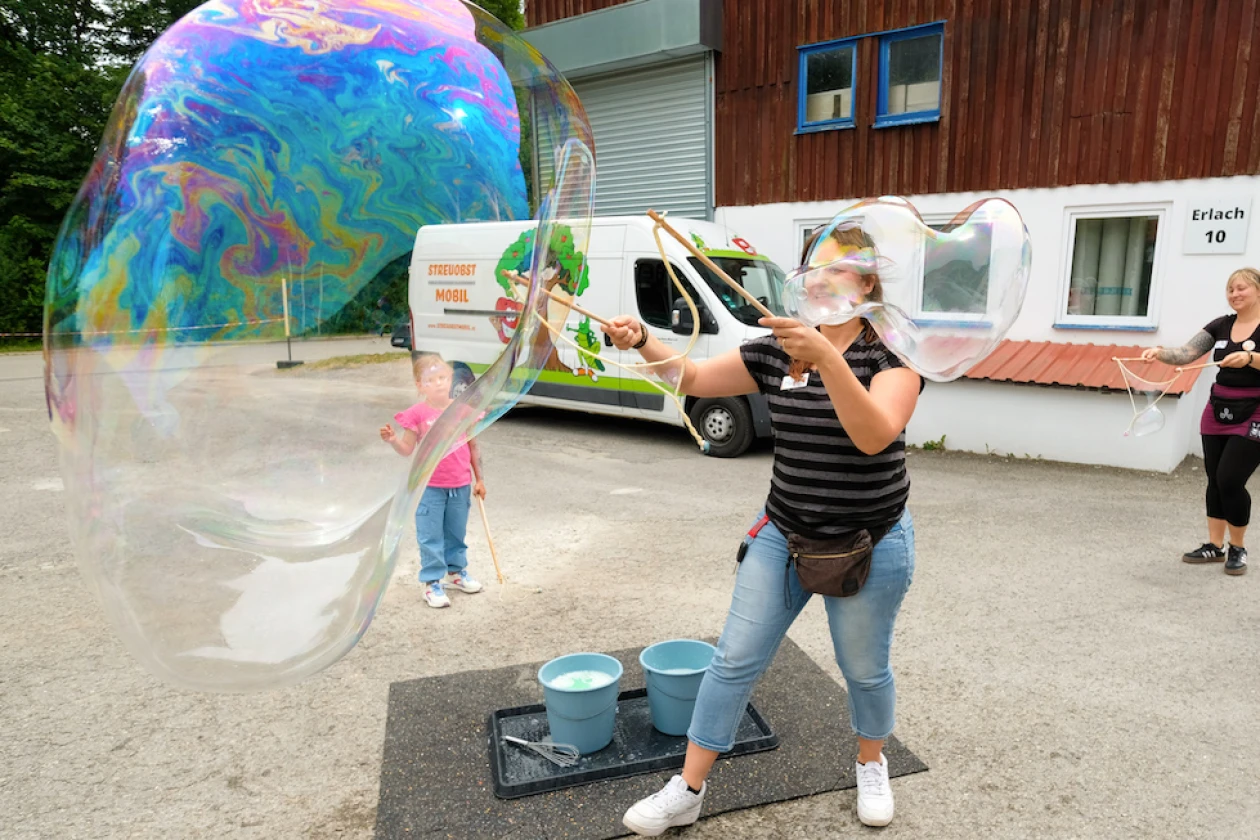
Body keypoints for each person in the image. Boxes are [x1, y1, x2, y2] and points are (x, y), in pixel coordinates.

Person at [605, 227, 923, 835]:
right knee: (733, 660)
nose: (825, 282)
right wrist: (643, 340)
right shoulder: (775, 349)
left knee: (864, 669)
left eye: (842, 272)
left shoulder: (892, 357)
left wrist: (828, 357)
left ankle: (871, 761)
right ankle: (688, 786)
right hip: (783, 532)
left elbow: (874, 434)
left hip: (870, 539)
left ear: (868, 285)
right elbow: (693, 380)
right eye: (816, 271)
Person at [1142, 267, 1260, 577]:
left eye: (1241, 288)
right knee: (1214, 480)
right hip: (1218, 408)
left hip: (1255, 411)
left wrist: (1251, 358)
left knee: (1230, 479)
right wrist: (1159, 353)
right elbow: (1186, 353)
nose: (1234, 294)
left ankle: (1238, 548)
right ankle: (1215, 546)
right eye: (1230, 289)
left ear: (1258, 291)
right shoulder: (1220, 326)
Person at [380, 354, 487, 607]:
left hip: (460, 485)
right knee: (430, 536)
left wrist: (479, 479)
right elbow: (407, 449)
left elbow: (474, 446)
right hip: (429, 487)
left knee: (456, 533)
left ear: (451, 379)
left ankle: (456, 573)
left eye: (442, 377)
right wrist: (394, 440)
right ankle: (432, 583)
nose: (438, 383)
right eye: (431, 380)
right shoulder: (416, 414)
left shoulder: (463, 411)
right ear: (420, 385)